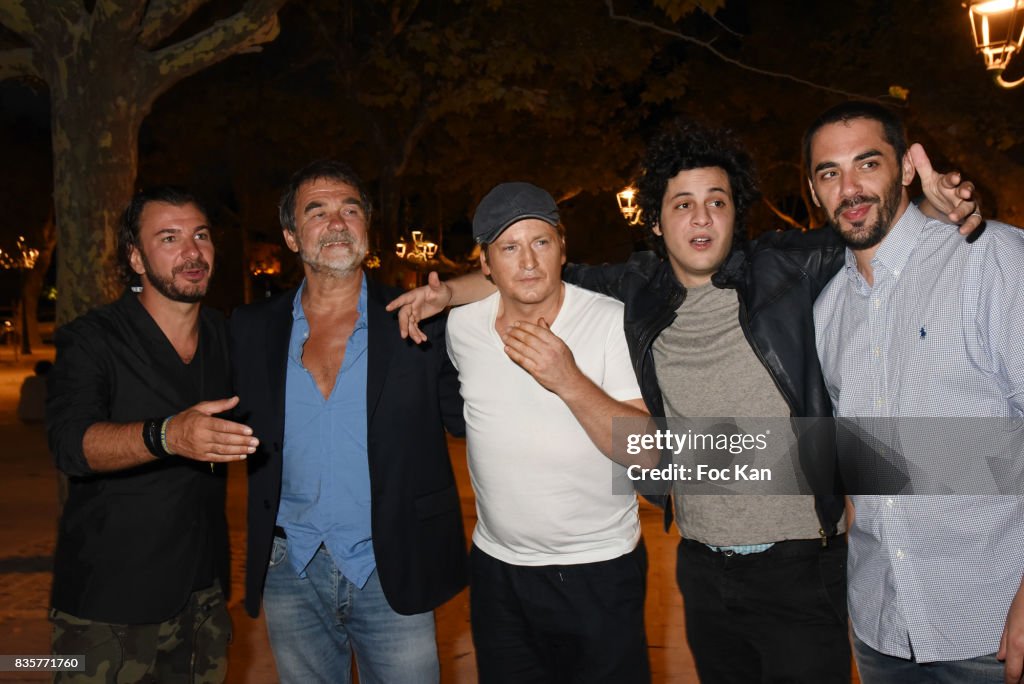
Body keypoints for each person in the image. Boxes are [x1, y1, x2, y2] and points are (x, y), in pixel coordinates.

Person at [389, 122, 979, 683]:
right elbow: (527, 272)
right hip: (701, 564)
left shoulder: (786, 268)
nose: (701, 217)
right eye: (682, 204)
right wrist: (443, 294)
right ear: (657, 221)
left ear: (734, 212)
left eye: (717, 201)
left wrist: (930, 204)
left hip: (799, 567)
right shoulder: (638, 288)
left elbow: (865, 229)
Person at [808, 101, 1024, 684]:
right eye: (829, 173)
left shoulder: (986, 258)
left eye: (867, 163)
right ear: (813, 189)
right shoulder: (827, 313)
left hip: (991, 627)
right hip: (881, 630)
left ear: (906, 168)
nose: (849, 188)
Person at [229, 160, 467, 684]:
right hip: (290, 567)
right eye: (317, 211)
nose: (337, 222)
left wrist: (455, 294)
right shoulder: (250, 330)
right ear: (291, 237)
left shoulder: (418, 318)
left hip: (393, 562)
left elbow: (472, 418)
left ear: (366, 228)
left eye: (350, 209)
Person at [46, 186, 255, 683]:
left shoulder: (225, 336)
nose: (192, 252)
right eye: (169, 238)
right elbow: (70, 444)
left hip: (202, 595)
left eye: (200, 235)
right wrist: (167, 436)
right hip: (106, 607)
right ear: (136, 258)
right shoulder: (92, 339)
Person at [446, 181, 652, 683]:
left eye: (541, 242)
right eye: (509, 248)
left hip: (600, 568)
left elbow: (647, 455)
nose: (529, 262)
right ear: (487, 264)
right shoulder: (461, 327)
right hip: (498, 572)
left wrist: (568, 379)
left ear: (563, 249)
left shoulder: (609, 321)